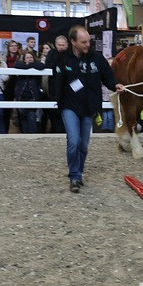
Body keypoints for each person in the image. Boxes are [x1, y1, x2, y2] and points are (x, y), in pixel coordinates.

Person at [45, 25, 125, 192]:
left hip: (89, 107)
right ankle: (74, 175)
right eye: (83, 42)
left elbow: (107, 76)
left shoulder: (97, 58)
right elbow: (55, 81)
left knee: (84, 145)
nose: (88, 45)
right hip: (69, 106)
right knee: (73, 141)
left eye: (88, 41)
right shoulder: (62, 59)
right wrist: (56, 100)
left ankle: (78, 172)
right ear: (73, 42)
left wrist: (115, 84)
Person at [14, 49, 44, 134]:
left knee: (31, 114)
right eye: (27, 57)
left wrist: (29, 65)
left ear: (34, 58)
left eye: (31, 57)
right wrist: (29, 66)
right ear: (23, 59)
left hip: (33, 96)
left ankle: (32, 135)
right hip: (21, 96)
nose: (29, 59)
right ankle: (25, 135)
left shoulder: (37, 66)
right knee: (23, 116)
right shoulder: (20, 65)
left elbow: (42, 66)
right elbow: (16, 65)